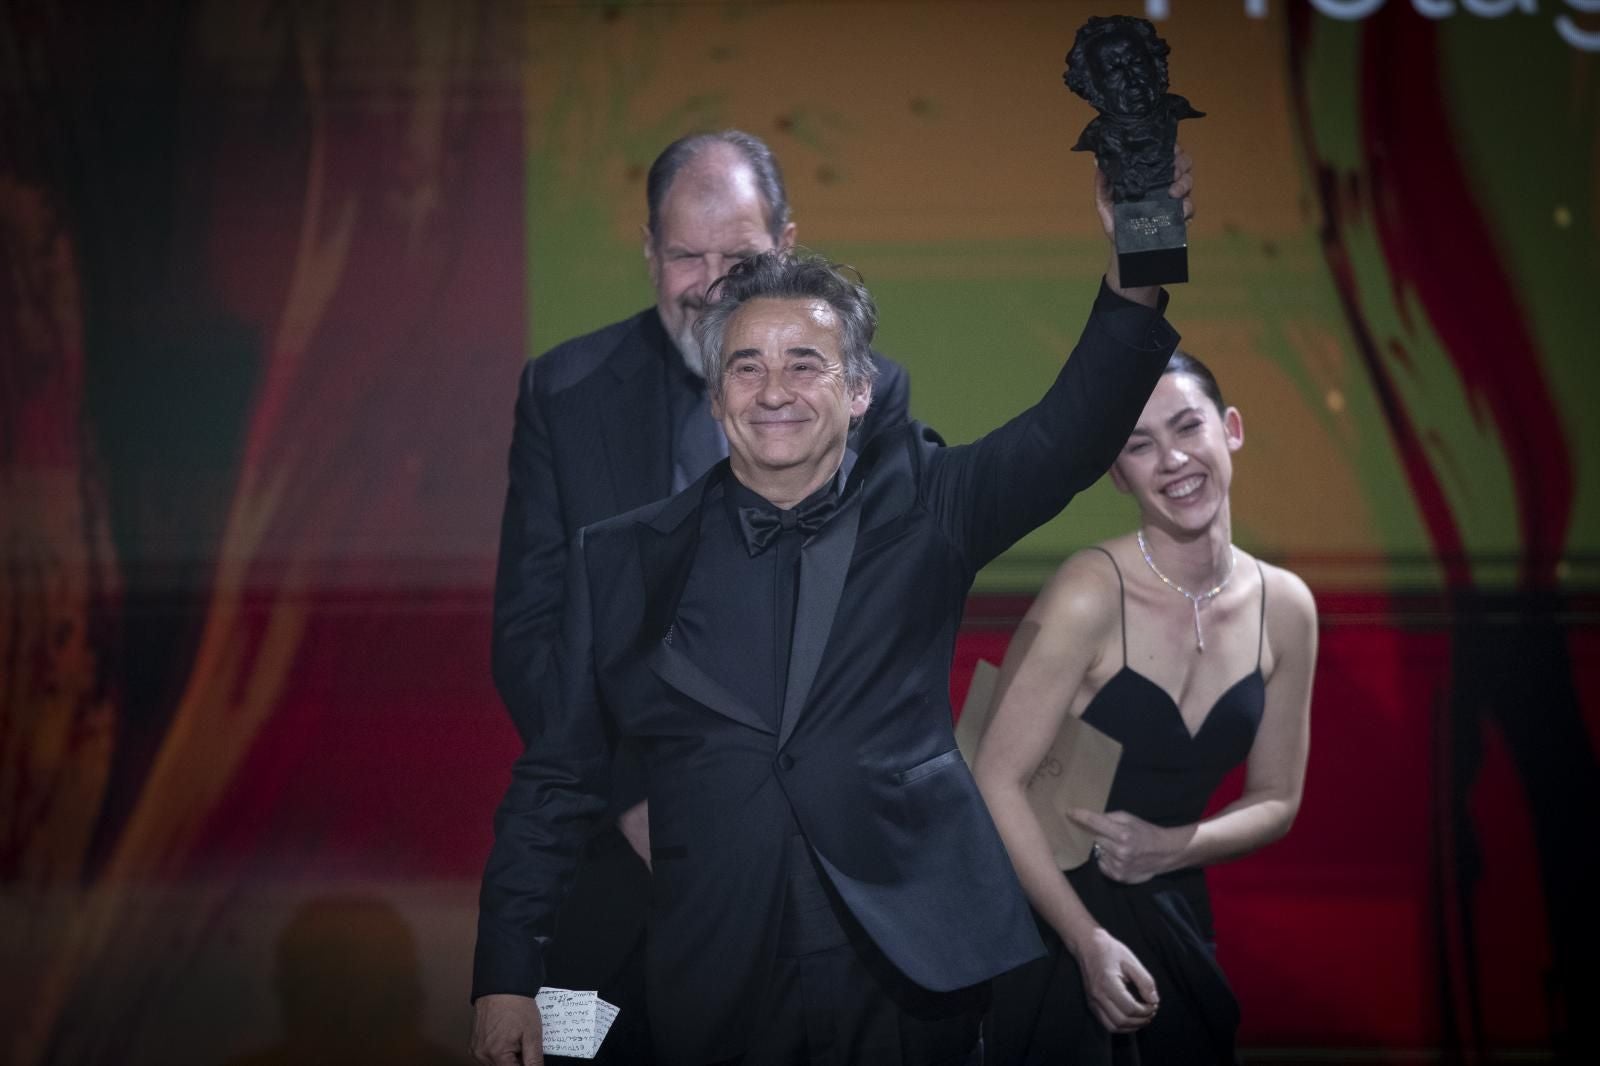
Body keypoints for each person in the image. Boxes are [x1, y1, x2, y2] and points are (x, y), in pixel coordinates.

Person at [469, 154, 1194, 1065]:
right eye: (748, 367)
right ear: (717, 392)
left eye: (805, 364)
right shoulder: (622, 556)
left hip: (907, 973)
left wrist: (1147, 231)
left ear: (859, 393)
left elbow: (1074, 427)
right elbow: (557, 779)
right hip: (713, 972)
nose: (774, 391)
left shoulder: (931, 508)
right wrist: (505, 973)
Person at [490, 131, 911, 1061]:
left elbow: (882, 632)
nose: (713, 283)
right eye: (687, 255)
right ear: (649, 252)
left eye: (743, 258)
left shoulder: (859, 397)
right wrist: (634, 799)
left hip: (808, 876)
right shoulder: (564, 393)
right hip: (610, 874)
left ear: (790, 244)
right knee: (583, 1050)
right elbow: (529, 634)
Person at [972, 351, 1318, 1064]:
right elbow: (993, 779)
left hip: (1172, 912)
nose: (1172, 460)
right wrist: (1084, 939)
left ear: (1232, 430)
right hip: (1047, 919)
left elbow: (1278, 797)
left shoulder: (1287, 607)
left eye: (1188, 428)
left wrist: (1176, 846)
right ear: (1116, 472)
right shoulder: (1088, 591)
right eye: (1139, 445)